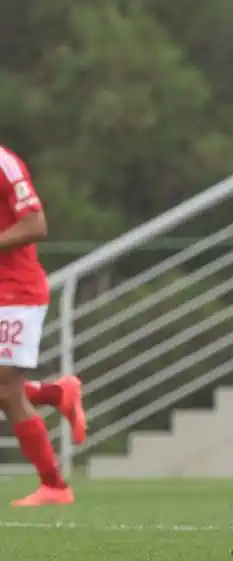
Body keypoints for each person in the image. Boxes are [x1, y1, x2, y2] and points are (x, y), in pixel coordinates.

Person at [0, 145, 88, 507]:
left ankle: (54, 486)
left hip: (14, 293)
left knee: (6, 391)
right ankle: (55, 394)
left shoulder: (3, 163)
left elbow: (35, 224)